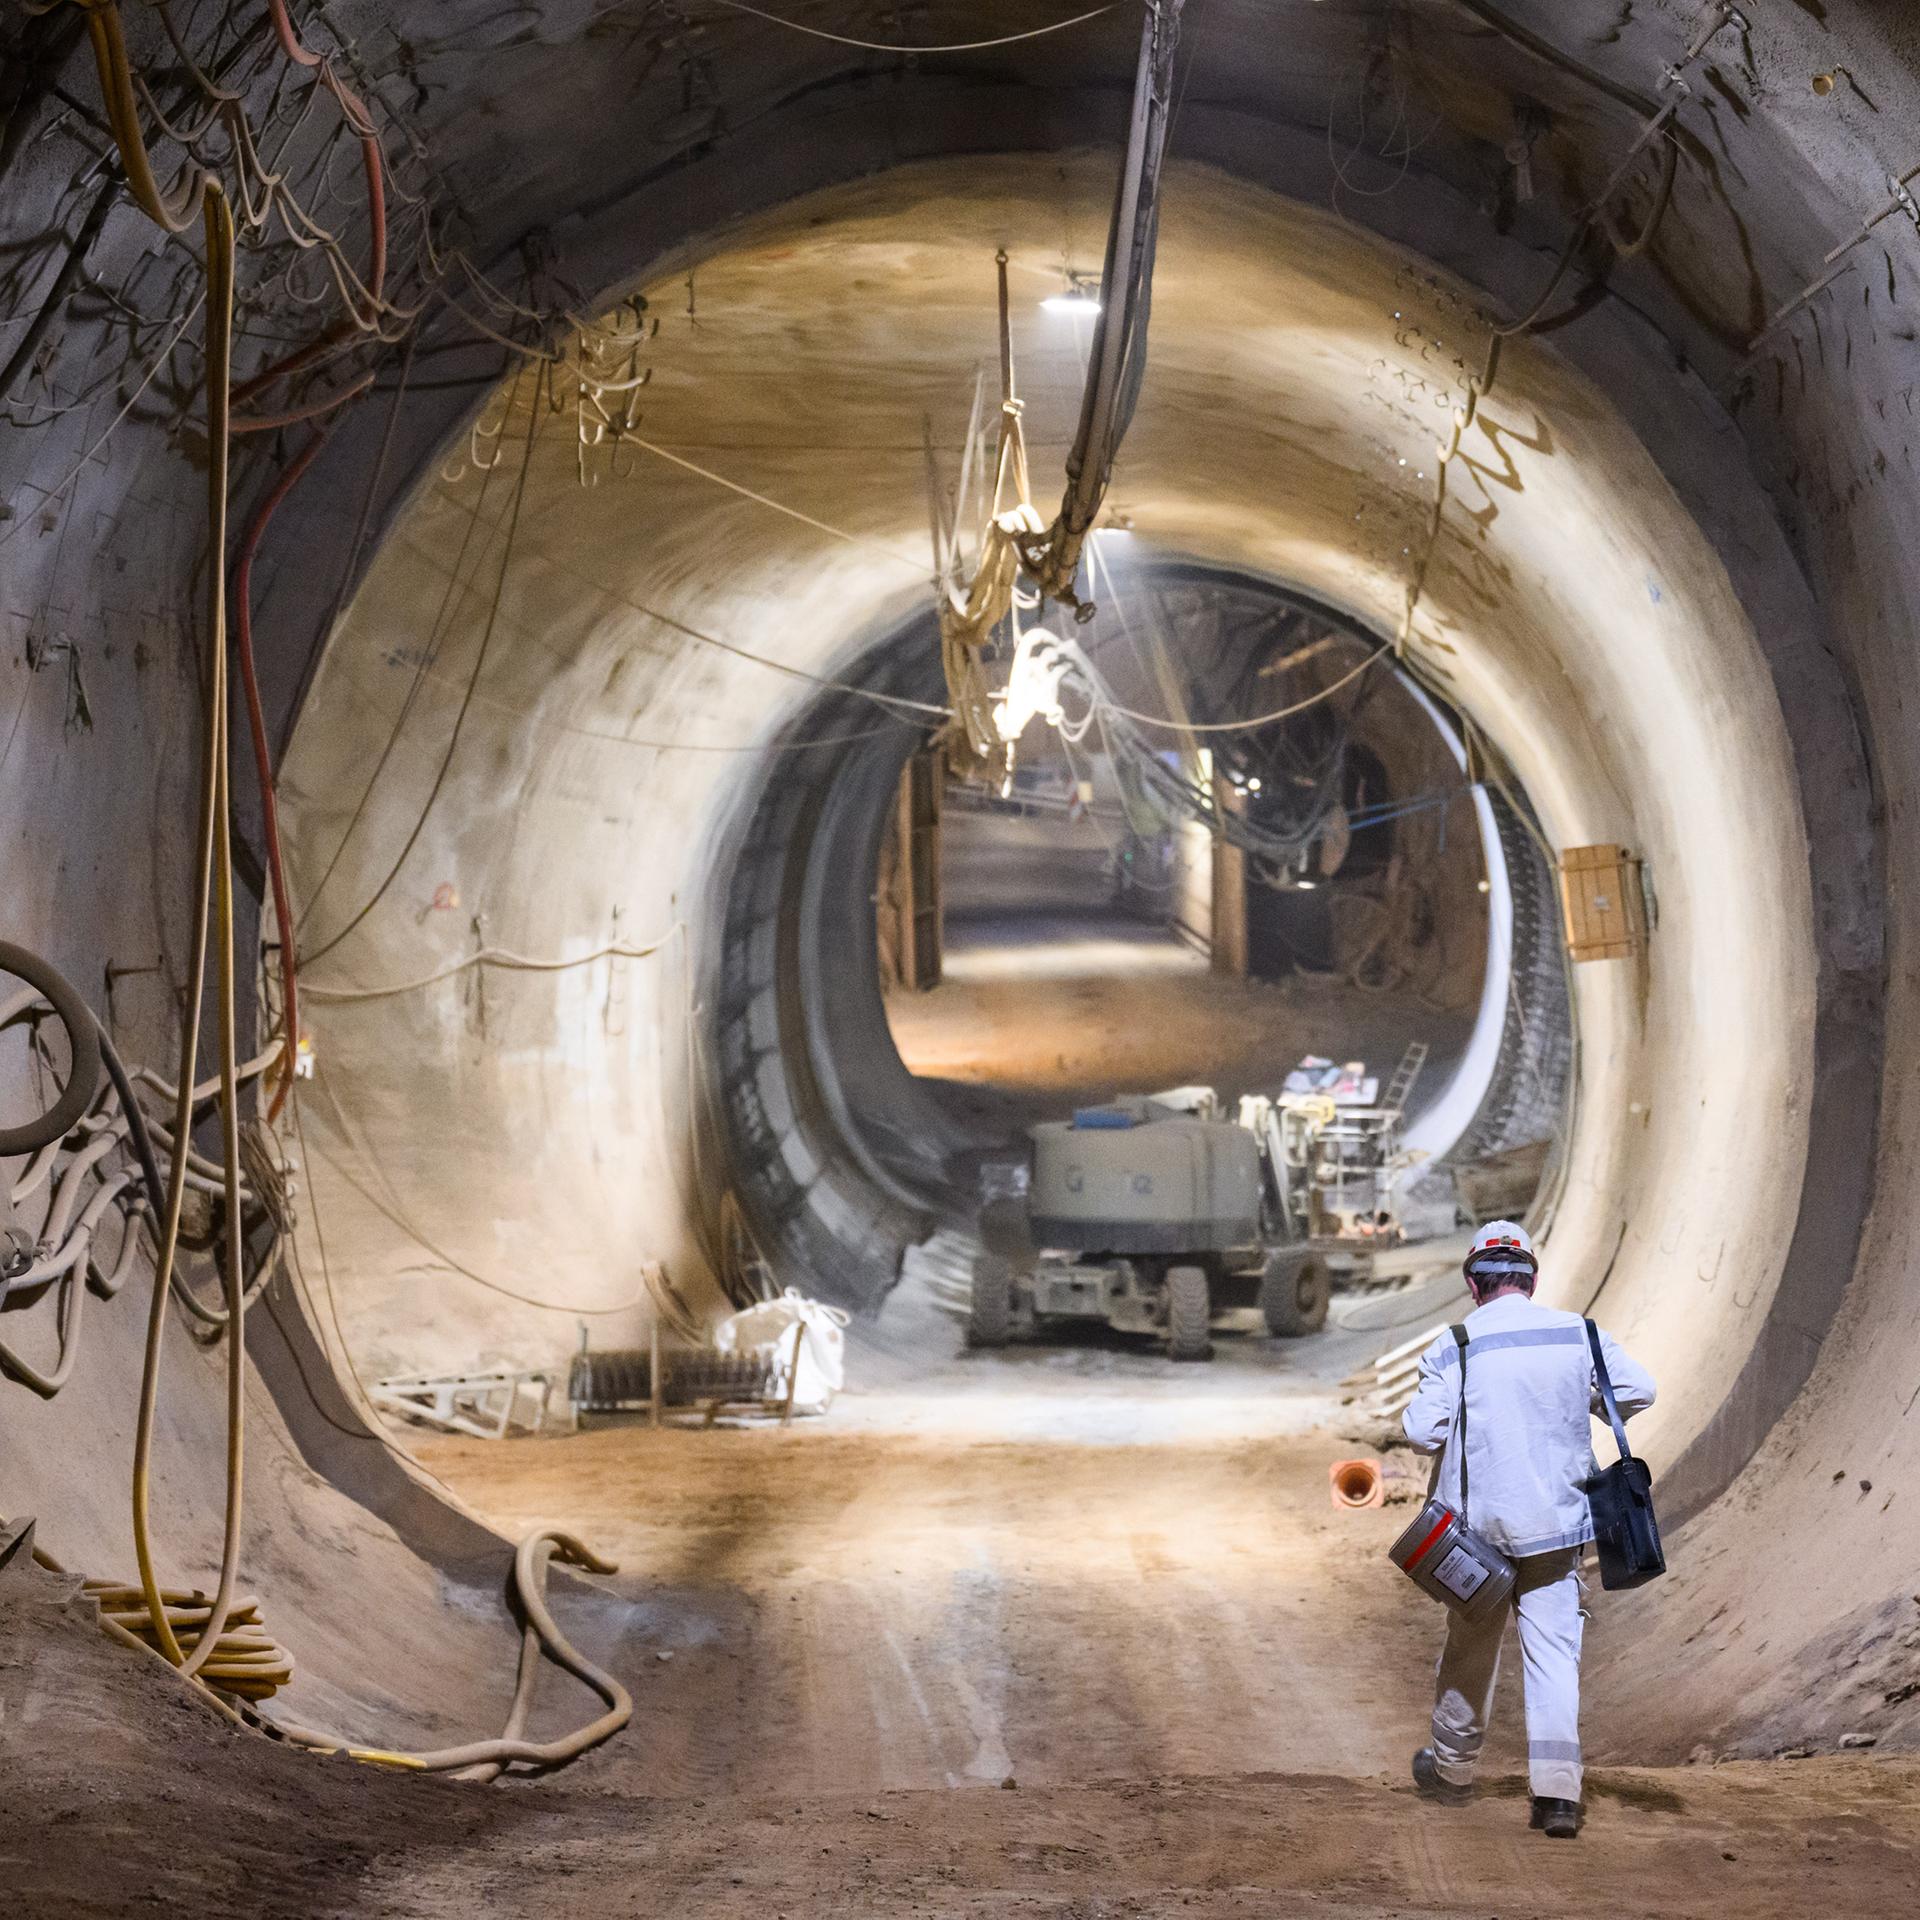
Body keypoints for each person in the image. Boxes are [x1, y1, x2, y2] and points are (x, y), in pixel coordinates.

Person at [1401, 1219, 1655, 1839]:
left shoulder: (1455, 1343)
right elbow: (1636, 1391)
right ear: (1533, 1279)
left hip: (1477, 1535)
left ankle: (1454, 1772)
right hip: (1557, 1528)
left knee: (1469, 1649)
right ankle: (1558, 1798)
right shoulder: (1578, 1333)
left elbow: (1421, 1432)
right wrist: (1584, 1400)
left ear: (1472, 1284)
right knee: (1553, 1657)